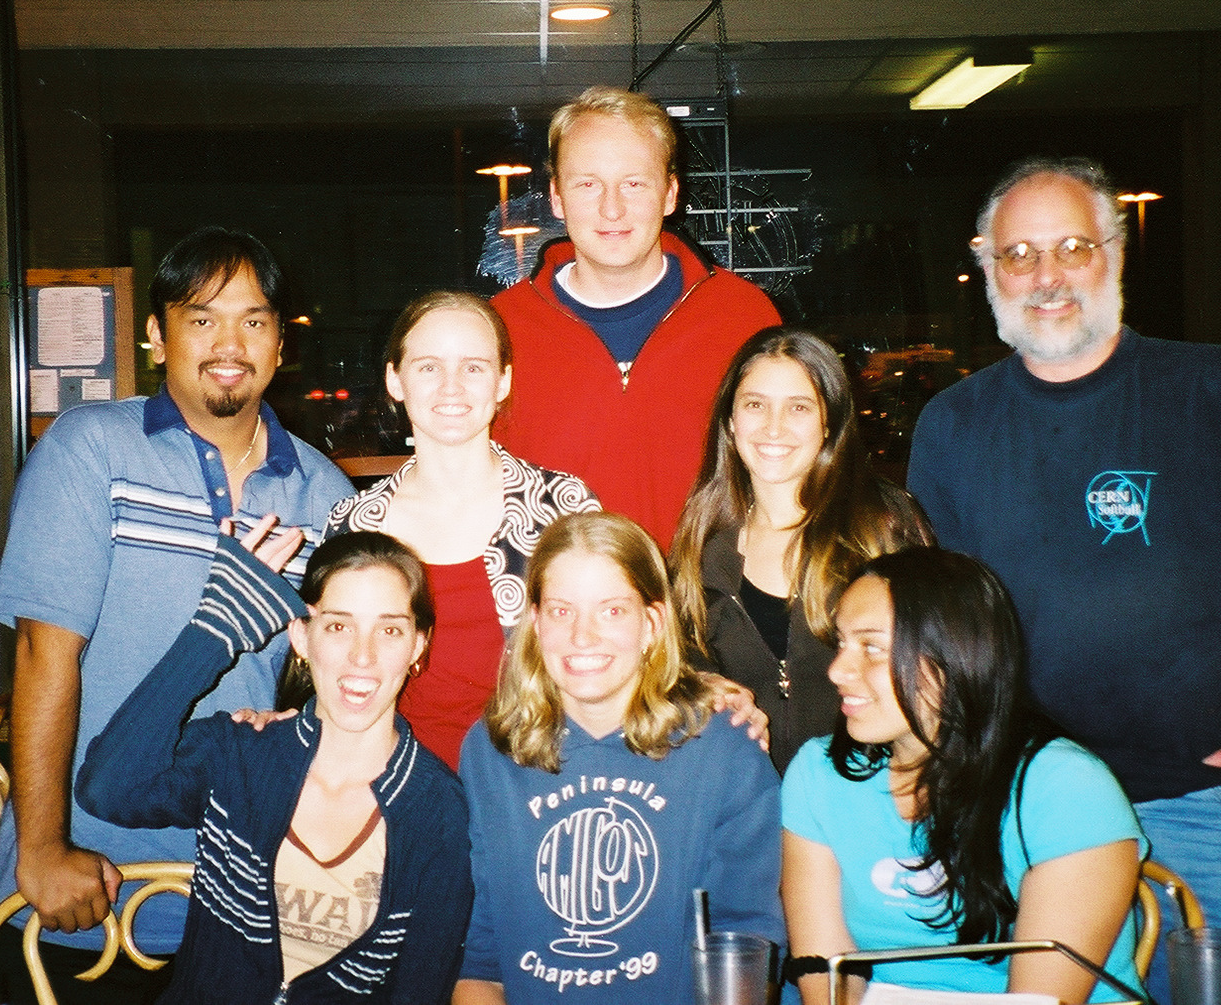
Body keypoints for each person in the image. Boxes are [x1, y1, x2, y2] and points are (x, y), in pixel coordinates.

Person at [906, 157, 1221, 1005]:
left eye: (1071, 247)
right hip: (1040, 814)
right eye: (1019, 255)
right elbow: (937, 627)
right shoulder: (953, 425)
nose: (1047, 275)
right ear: (987, 267)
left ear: (1115, 254)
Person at [0, 228, 355, 1002]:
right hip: (87, 888)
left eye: (254, 320)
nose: (230, 343)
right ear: (156, 335)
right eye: (201, 317)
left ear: (282, 343)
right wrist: (45, 844)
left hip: (245, 897)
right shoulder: (91, 450)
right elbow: (41, 656)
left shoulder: (324, 493)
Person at [76, 526, 472, 1004]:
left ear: (417, 647)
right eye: (338, 626)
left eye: (389, 630)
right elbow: (107, 788)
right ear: (301, 637)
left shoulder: (438, 810)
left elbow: (419, 991)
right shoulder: (241, 754)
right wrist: (214, 633)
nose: (361, 657)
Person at [781, 548, 1146, 1004]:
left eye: (871, 647)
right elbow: (828, 982)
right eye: (841, 643)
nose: (837, 670)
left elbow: (1039, 1001)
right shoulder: (820, 775)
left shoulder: (1065, 788)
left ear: (953, 656)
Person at [454, 511, 785, 1005]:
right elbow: (483, 959)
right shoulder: (491, 751)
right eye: (562, 610)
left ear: (651, 623)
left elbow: (746, 946)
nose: (582, 637)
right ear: (535, 622)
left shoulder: (723, 752)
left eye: (611, 611)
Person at [490, 86, 780, 550]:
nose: (612, 208)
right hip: (558, 613)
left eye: (634, 183)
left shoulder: (743, 315)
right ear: (557, 197)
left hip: (712, 611)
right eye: (588, 184)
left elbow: (793, 477)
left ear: (670, 194)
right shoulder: (496, 330)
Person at [322, 290, 599, 767]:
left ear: (503, 381)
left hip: (539, 785)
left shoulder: (562, 508)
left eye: (473, 367)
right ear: (395, 379)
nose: (451, 387)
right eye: (429, 367)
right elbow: (332, 678)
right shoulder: (353, 525)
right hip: (398, 793)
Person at [670, 326, 934, 772]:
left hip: (870, 794)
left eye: (798, 407)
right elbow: (675, 670)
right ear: (731, 421)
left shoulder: (884, 527)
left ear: (828, 422)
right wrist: (704, 689)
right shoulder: (701, 540)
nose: (774, 428)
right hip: (748, 808)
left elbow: (935, 671)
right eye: (755, 405)